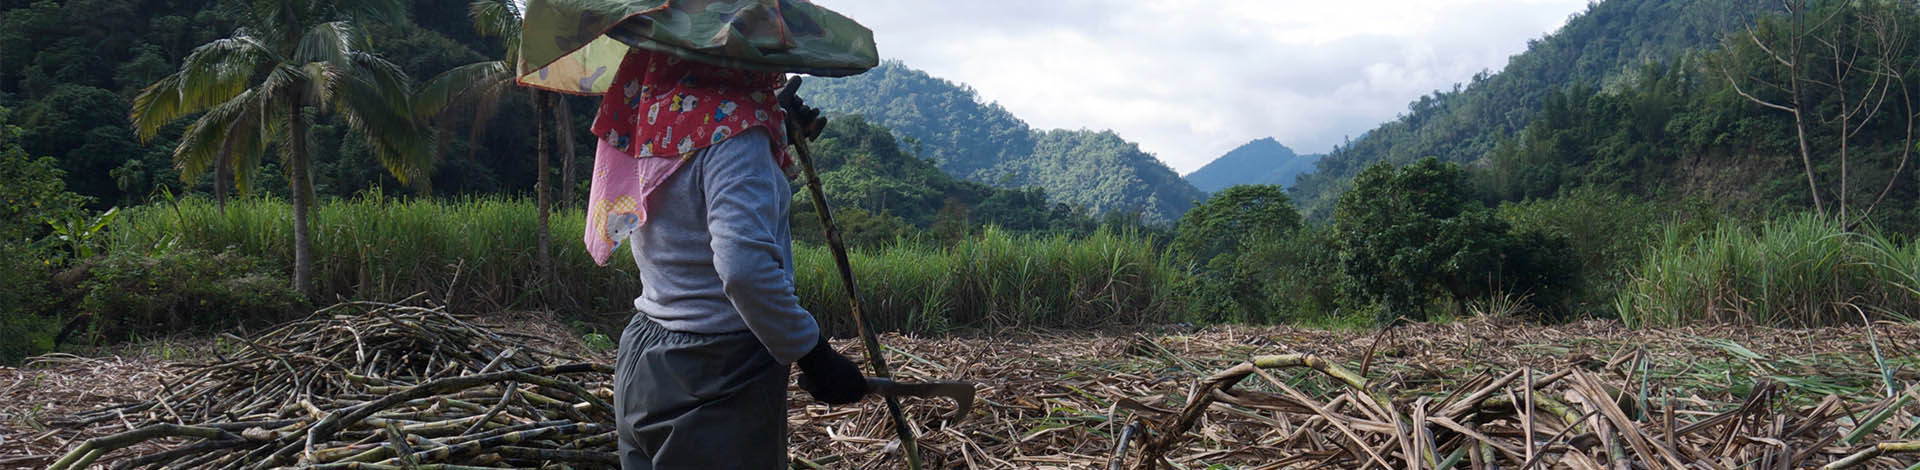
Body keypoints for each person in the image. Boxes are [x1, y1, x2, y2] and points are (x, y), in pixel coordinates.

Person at [585, 48, 868, 469]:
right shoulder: (738, 136)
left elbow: (691, 185)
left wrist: (770, 124)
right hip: (715, 372)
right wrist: (814, 354)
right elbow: (744, 272)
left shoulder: (655, 113)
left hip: (645, 353)